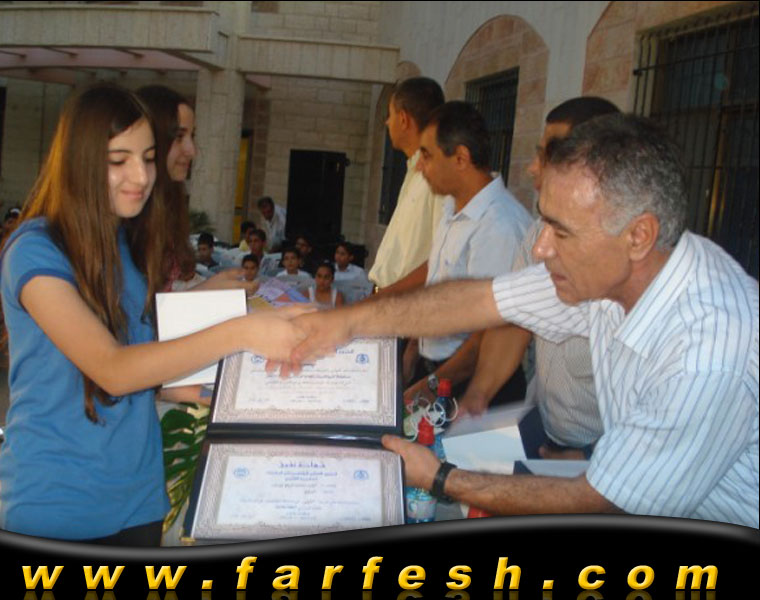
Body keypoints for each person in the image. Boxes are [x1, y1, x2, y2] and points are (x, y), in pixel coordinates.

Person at [287, 113, 759, 528]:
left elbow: (604, 501)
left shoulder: (707, 354)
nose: (539, 247)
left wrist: (440, 477)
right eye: (544, 221)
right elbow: (479, 301)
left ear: (638, 236)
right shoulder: (609, 273)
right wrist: (346, 323)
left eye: (562, 232)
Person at [0, 83, 306, 544]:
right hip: (59, 501)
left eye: (149, 158)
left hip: (137, 495)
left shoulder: (122, 240)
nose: (140, 175)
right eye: (118, 160)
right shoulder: (35, 251)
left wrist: (205, 316)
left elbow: (143, 352)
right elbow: (113, 368)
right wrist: (242, 331)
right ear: (79, 161)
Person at [456, 97, 620, 460]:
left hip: (609, 453)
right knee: (458, 464)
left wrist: (592, 457)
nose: (533, 168)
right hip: (542, 424)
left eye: (550, 154)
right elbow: (514, 321)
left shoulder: (625, 260)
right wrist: (479, 393)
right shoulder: (536, 236)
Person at [402, 101, 530, 403]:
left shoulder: (499, 224)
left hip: (473, 386)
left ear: (460, 157)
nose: (419, 167)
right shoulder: (453, 207)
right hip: (437, 372)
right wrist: (414, 348)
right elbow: (437, 280)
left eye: (427, 155)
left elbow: (486, 339)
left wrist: (425, 390)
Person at [137, 85, 245, 293]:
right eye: (179, 136)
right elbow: (136, 308)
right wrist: (204, 291)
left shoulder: (166, 207)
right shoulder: (124, 219)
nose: (192, 150)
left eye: (191, 136)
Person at [369, 77, 446, 294]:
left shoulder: (440, 178)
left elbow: (443, 257)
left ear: (403, 119)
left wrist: (385, 297)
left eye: (390, 115)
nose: (387, 123)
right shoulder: (413, 170)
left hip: (404, 303)